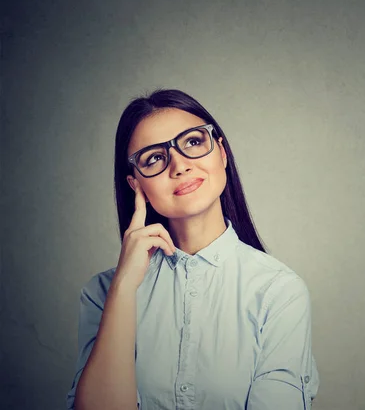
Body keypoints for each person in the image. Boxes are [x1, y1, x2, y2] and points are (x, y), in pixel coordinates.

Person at [65, 89, 319, 409]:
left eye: (193, 142)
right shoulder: (102, 293)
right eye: (155, 157)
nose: (180, 166)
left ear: (221, 154)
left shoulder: (278, 291)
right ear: (136, 184)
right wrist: (124, 288)